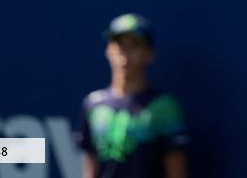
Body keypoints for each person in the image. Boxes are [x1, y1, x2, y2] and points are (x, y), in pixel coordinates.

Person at [77, 13, 188, 178]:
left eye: (134, 45)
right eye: (119, 44)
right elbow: (90, 167)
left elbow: (177, 172)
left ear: (149, 54)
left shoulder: (164, 107)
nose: (125, 53)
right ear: (108, 50)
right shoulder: (93, 104)